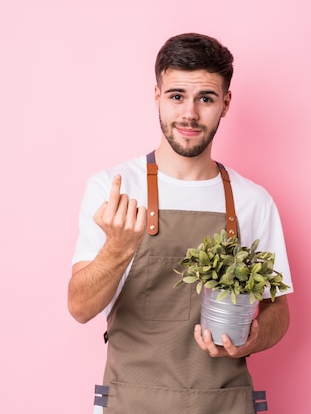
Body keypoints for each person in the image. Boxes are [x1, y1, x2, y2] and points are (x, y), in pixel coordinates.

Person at [68, 32, 293, 414]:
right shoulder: (113, 189)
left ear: (225, 103)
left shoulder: (254, 201)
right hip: (132, 402)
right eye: (176, 96)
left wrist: (251, 340)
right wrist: (118, 248)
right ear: (157, 96)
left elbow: (279, 313)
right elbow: (80, 307)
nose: (189, 113)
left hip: (223, 403)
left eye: (205, 98)